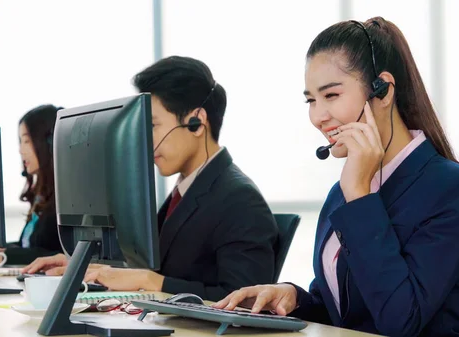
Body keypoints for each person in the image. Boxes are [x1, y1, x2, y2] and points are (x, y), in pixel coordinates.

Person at [213, 17, 459, 337]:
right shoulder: (342, 190)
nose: (318, 117)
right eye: (311, 100)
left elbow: (402, 321)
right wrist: (295, 297)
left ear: (382, 91)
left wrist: (359, 194)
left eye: (331, 96)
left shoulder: (452, 189)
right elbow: (345, 309)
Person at [22, 56, 279, 302]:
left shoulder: (239, 199)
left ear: (196, 122)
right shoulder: (186, 191)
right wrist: (84, 265)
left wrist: (153, 281)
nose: (144, 140)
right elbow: (152, 264)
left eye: (152, 126)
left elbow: (246, 300)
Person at [0, 104, 63, 265]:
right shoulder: (42, 194)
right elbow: (28, 246)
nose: (21, 150)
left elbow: (57, 255)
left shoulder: (65, 196)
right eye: (20, 142)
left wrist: (6, 255)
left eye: (27, 141)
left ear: (50, 143)